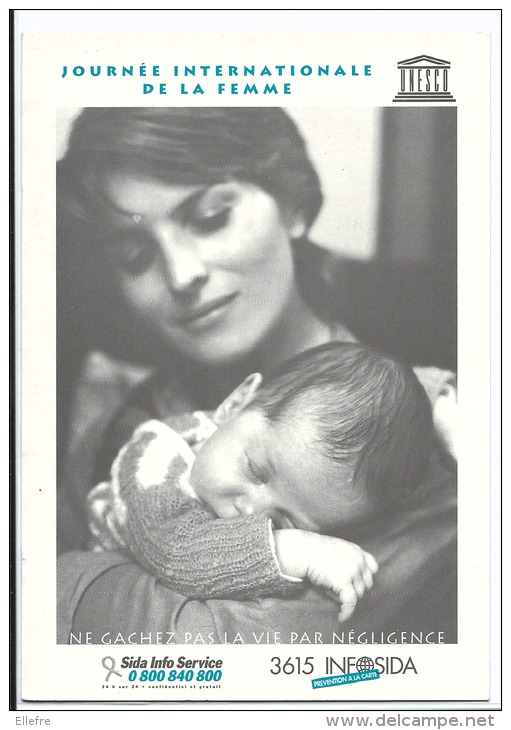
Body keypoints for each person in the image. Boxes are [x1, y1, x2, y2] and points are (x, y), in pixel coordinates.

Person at [56, 107, 457, 644]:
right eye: (135, 254)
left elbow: (214, 640)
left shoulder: (428, 453)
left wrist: (74, 584)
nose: (181, 275)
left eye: (210, 218)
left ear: (292, 205)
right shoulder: (119, 427)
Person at [88, 342, 433, 619]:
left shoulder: (259, 451)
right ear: (235, 404)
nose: (251, 512)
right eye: (255, 469)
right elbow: (175, 550)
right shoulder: (155, 454)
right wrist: (297, 549)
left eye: (285, 520)